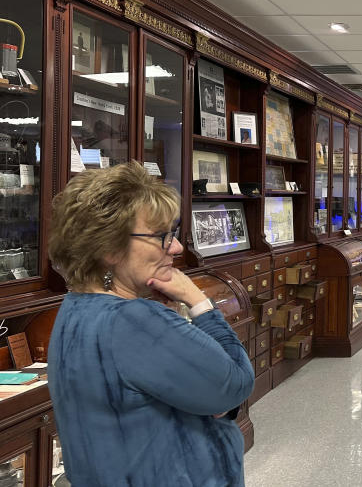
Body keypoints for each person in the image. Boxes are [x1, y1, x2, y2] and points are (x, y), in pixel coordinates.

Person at [47, 162, 254, 487]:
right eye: (162, 236)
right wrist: (197, 300)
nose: (176, 247)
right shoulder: (134, 321)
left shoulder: (73, 309)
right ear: (110, 247)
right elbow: (236, 384)